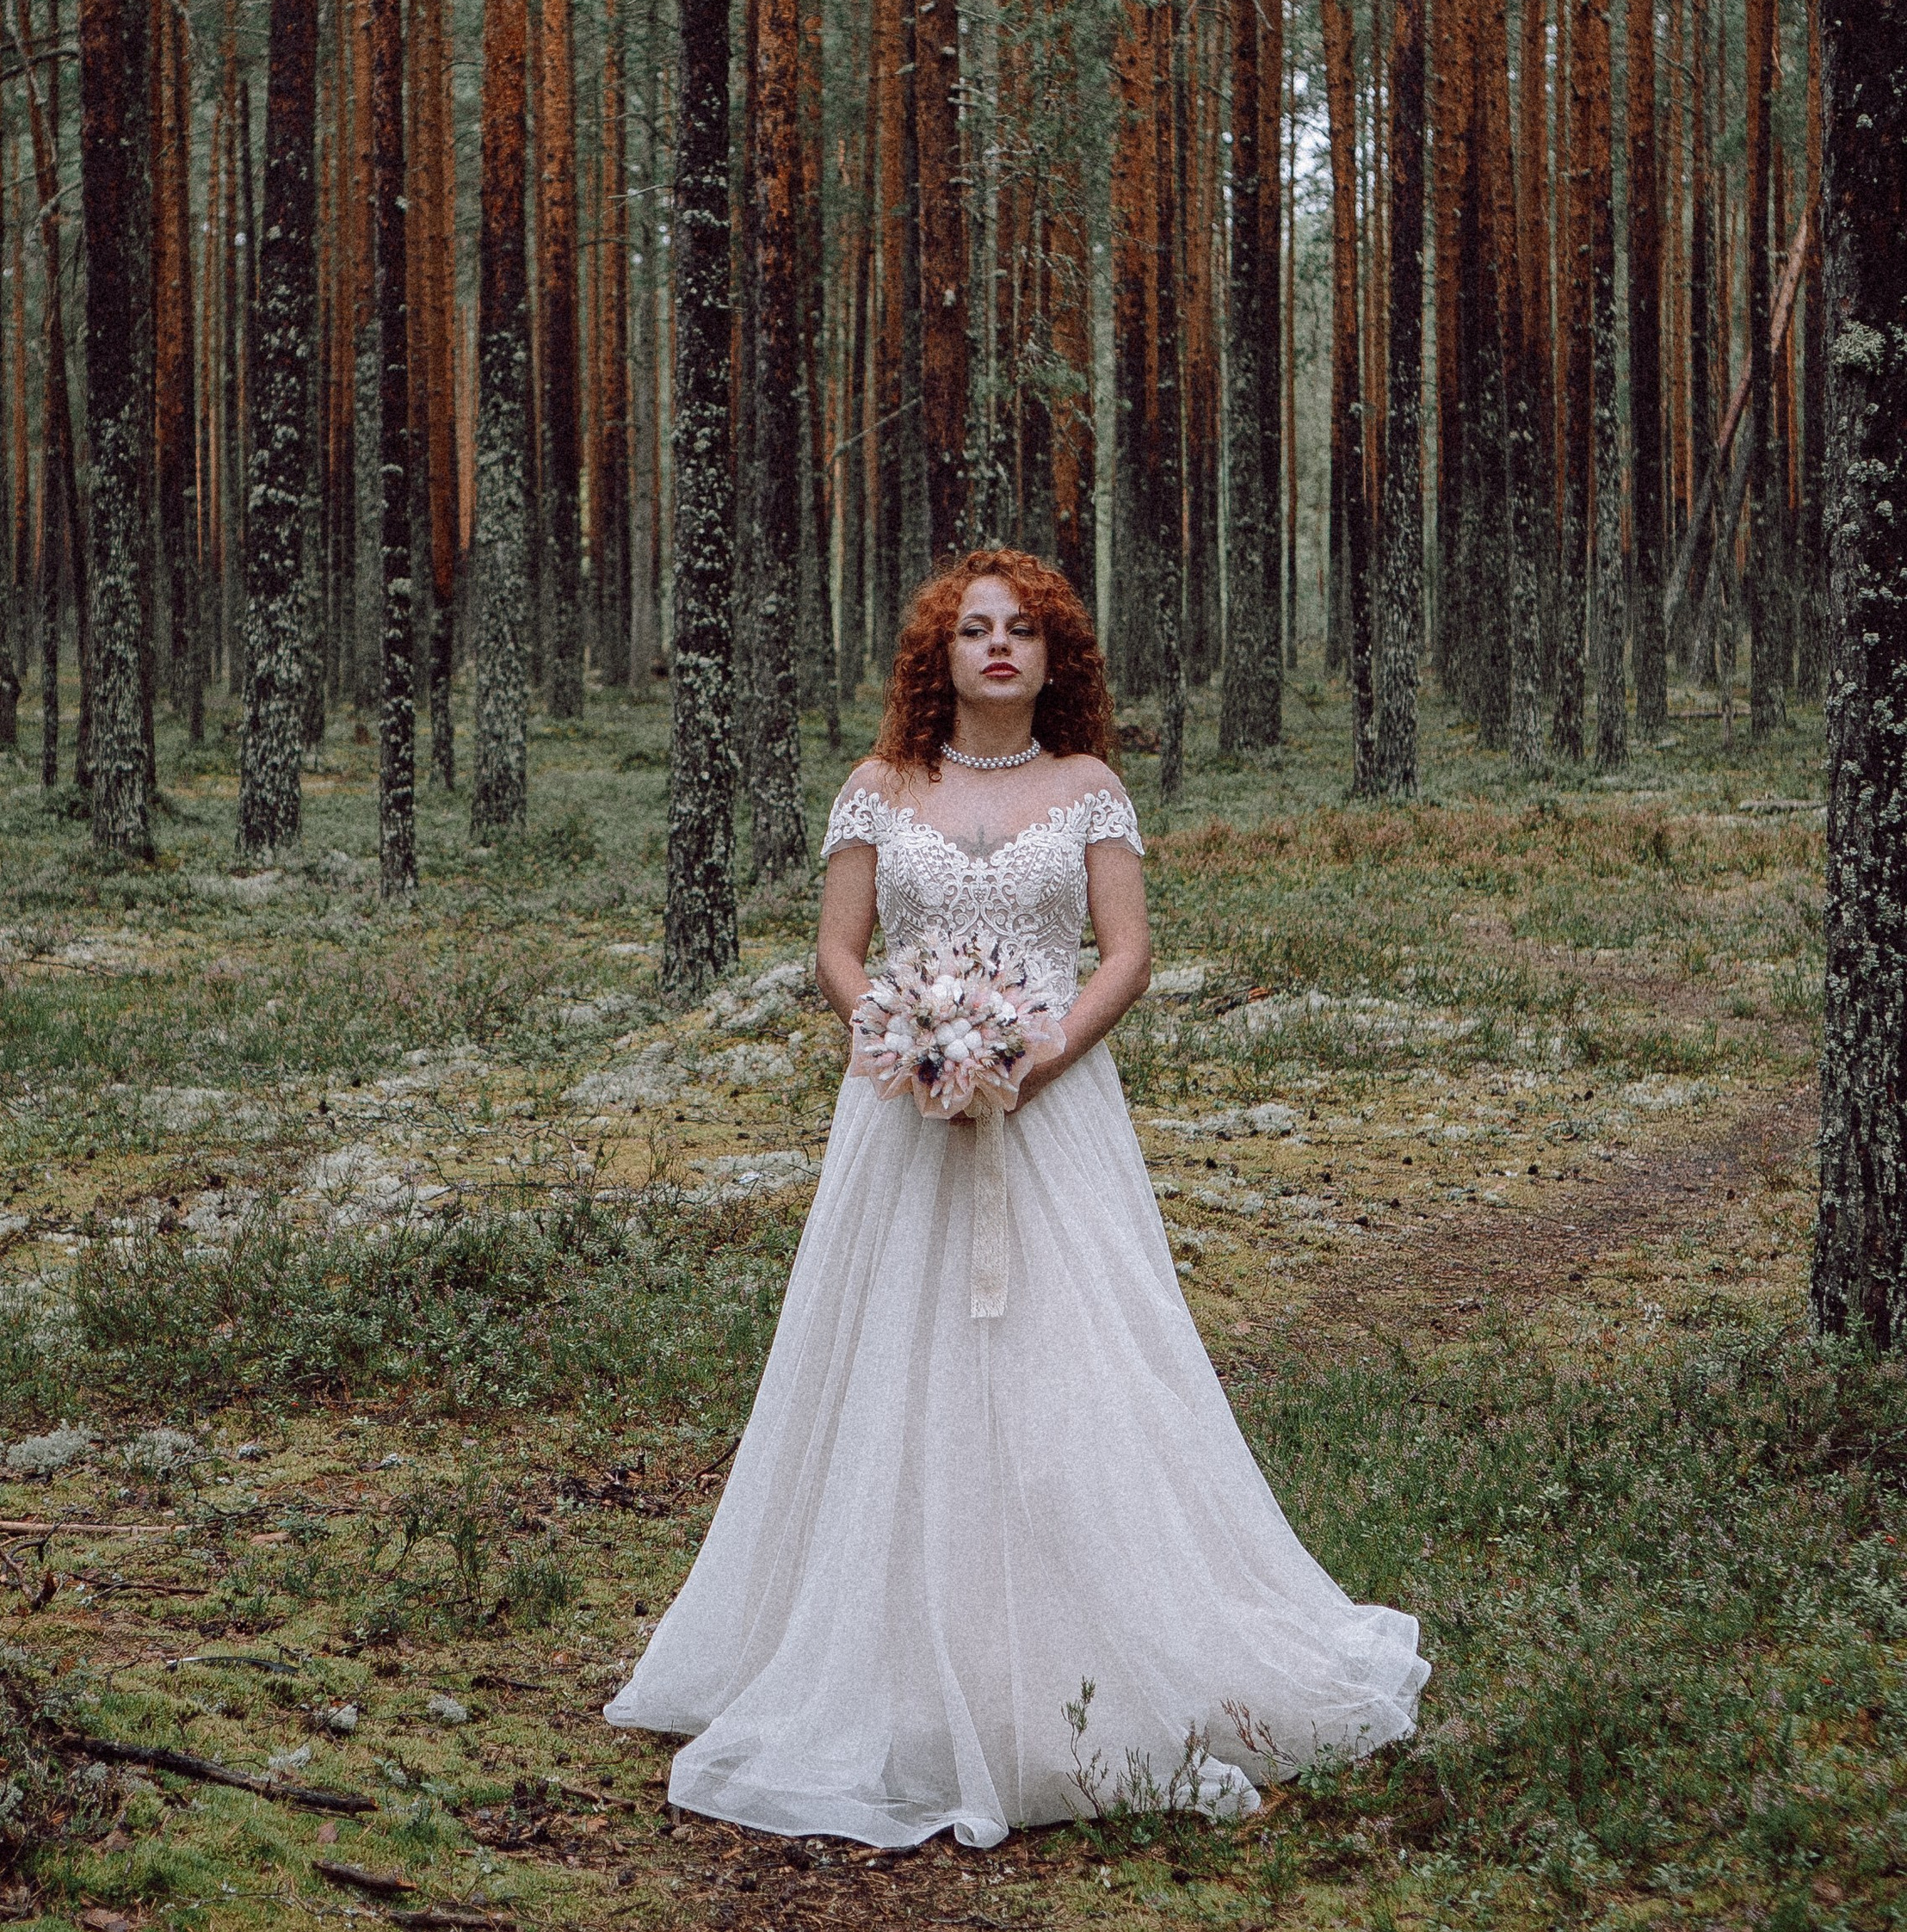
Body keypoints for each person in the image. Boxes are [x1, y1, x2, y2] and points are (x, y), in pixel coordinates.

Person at [606, 546, 1426, 1849]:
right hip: (902, 1120)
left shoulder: (1088, 788)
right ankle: (879, 1653)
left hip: (1058, 1114)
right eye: (975, 630)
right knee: (891, 1363)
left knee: (1077, 1359)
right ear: (940, 655)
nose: (999, 648)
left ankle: (1080, 1640)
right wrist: (908, 1034)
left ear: (1057, 658)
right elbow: (836, 946)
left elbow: (1130, 953)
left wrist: (1034, 1057)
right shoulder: (880, 789)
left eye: (1024, 632)